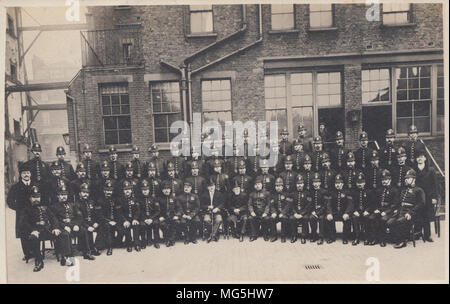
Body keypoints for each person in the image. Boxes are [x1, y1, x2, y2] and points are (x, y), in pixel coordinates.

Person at [23, 186, 73, 271]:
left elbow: (53, 218)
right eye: (34, 197)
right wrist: (33, 230)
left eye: (38, 197)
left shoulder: (45, 207)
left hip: (48, 230)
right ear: (30, 198)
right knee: (33, 238)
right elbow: (24, 223)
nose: (36, 199)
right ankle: (39, 261)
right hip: (37, 232)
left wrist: (56, 228)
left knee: (64, 233)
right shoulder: (26, 209)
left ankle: (65, 257)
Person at [50, 185, 95, 261]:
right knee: (65, 234)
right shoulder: (54, 207)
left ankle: (87, 253)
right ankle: (68, 257)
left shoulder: (72, 205)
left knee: (83, 230)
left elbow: (79, 217)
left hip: (73, 225)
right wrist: (64, 227)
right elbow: (55, 220)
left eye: (65, 195)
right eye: (61, 195)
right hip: (62, 227)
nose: (63, 197)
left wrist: (76, 225)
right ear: (58, 196)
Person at [387, 169, 425, 249]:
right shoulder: (404, 190)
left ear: (414, 179)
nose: (406, 180)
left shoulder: (419, 190)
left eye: (408, 178)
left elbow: (421, 204)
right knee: (390, 222)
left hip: (411, 213)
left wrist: (411, 213)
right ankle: (396, 238)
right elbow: (399, 202)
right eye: (405, 178)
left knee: (400, 221)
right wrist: (396, 209)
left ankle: (402, 241)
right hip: (401, 211)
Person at [7, 162, 35, 261]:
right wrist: (18, 208)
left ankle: (35, 251)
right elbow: (9, 201)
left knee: (34, 230)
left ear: (30, 174)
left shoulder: (35, 185)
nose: (26, 175)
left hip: (34, 213)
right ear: (21, 175)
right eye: (24, 173)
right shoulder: (16, 187)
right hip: (22, 214)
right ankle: (27, 253)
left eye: (28, 173)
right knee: (24, 233)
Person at [414, 151, 438, 242]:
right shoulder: (414, 170)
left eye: (421, 157)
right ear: (416, 159)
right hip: (417, 196)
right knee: (417, 214)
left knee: (426, 215)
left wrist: (434, 197)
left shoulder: (430, 170)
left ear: (425, 158)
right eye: (418, 157)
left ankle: (427, 235)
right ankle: (417, 233)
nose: (419, 159)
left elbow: (435, 184)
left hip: (428, 196)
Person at [370, 169, 399, 247]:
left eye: (386, 179)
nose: (384, 181)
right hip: (379, 210)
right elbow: (375, 202)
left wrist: (386, 212)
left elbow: (394, 205)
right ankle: (374, 238)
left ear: (390, 180)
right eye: (383, 180)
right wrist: (376, 209)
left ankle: (383, 240)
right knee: (372, 218)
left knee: (383, 219)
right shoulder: (379, 190)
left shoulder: (394, 190)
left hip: (389, 212)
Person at [75, 183, 102, 256]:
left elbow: (95, 214)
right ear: (80, 193)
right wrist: (87, 226)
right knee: (85, 230)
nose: (85, 194)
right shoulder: (77, 204)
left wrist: (96, 222)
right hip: (82, 223)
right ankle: (87, 250)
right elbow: (79, 219)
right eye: (83, 192)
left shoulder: (91, 202)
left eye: (87, 192)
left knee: (103, 226)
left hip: (91, 222)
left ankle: (95, 246)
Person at [98, 180, 123, 255]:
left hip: (115, 220)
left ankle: (117, 242)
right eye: (107, 190)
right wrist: (109, 221)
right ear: (104, 190)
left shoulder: (116, 199)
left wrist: (116, 221)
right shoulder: (100, 200)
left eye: (110, 190)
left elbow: (119, 212)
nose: (109, 192)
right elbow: (100, 215)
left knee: (122, 229)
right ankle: (110, 247)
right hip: (105, 221)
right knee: (107, 227)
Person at [326, 174, 353, 244]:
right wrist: (329, 213)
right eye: (336, 183)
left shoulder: (347, 192)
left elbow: (350, 204)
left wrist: (347, 213)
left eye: (339, 183)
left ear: (343, 184)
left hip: (343, 212)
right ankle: (332, 237)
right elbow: (329, 204)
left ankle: (345, 237)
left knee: (347, 219)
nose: (337, 185)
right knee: (328, 218)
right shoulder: (332, 192)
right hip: (335, 213)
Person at [139, 179, 161, 249]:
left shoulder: (153, 198)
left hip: (153, 217)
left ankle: (156, 241)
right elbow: (139, 211)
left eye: (146, 190)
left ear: (149, 190)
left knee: (156, 223)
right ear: (141, 191)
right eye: (143, 190)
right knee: (142, 225)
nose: (145, 191)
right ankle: (143, 242)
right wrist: (144, 219)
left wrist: (151, 219)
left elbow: (157, 211)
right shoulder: (139, 199)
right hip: (144, 218)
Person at [248, 177, 271, 242]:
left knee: (266, 218)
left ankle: (265, 234)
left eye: (259, 184)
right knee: (251, 218)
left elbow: (268, 204)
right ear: (254, 186)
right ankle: (254, 235)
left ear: (262, 185)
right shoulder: (252, 194)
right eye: (256, 184)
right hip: (255, 212)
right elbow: (250, 204)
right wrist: (252, 212)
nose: (257, 186)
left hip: (264, 212)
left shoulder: (267, 193)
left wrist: (266, 212)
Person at [269, 177, 293, 243]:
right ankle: (274, 235)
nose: (278, 187)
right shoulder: (272, 195)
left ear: (282, 186)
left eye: (279, 186)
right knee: (272, 218)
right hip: (276, 213)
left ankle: (283, 236)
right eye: (276, 186)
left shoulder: (286, 194)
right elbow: (272, 205)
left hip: (284, 213)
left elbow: (288, 205)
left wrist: (283, 213)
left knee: (284, 218)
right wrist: (274, 212)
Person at [290, 174, 312, 243]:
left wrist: (302, 214)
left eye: (301, 183)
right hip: (296, 212)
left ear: (303, 184)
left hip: (304, 213)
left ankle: (303, 236)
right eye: (298, 184)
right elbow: (291, 205)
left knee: (305, 218)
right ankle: (294, 235)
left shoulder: (307, 193)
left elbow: (308, 206)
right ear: (296, 185)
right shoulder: (293, 193)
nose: (299, 185)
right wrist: (295, 213)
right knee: (292, 218)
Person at [120, 180, 141, 252]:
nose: (127, 191)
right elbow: (120, 212)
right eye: (125, 190)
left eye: (128, 189)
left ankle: (137, 244)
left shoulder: (135, 199)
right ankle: (129, 244)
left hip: (134, 219)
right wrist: (125, 220)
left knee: (136, 225)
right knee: (126, 227)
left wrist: (135, 219)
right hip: (125, 219)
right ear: (123, 191)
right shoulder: (121, 200)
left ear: (131, 190)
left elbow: (138, 210)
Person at [351, 172, 371, 246]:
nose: (360, 184)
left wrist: (367, 211)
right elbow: (352, 203)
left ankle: (366, 237)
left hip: (365, 211)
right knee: (354, 217)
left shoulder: (368, 192)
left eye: (361, 182)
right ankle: (357, 237)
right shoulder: (354, 192)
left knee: (366, 217)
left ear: (364, 183)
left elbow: (371, 204)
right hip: (357, 211)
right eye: (358, 183)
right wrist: (355, 211)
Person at [309, 172, 329, 245]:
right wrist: (313, 211)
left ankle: (321, 237)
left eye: (317, 182)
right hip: (314, 211)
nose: (316, 184)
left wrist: (318, 213)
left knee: (321, 218)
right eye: (314, 182)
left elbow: (325, 205)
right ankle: (314, 235)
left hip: (322, 212)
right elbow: (310, 204)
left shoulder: (324, 191)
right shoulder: (311, 192)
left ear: (320, 183)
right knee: (311, 218)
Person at [157, 181, 179, 247]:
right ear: (162, 190)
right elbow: (157, 210)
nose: (166, 191)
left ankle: (172, 239)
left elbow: (178, 208)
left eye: (168, 189)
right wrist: (160, 216)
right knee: (163, 224)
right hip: (163, 217)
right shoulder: (159, 199)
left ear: (170, 190)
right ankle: (166, 239)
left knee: (175, 222)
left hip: (172, 216)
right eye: (165, 189)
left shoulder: (174, 198)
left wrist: (177, 215)